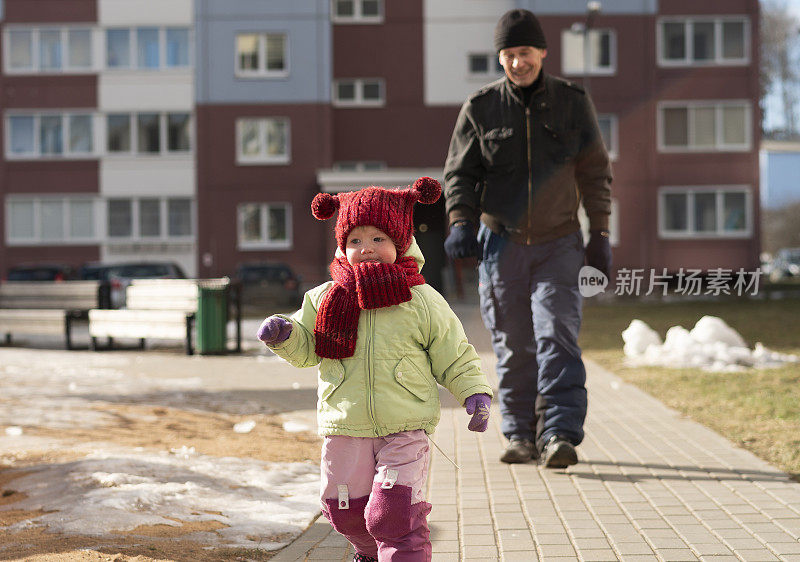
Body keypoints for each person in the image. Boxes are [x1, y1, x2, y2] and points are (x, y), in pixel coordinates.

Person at [257, 177, 493, 562]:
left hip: (405, 424)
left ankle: (399, 550)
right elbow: (307, 349)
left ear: (400, 242)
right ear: (341, 245)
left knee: (392, 516)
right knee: (344, 514)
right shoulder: (323, 298)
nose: (366, 249)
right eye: (355, 241)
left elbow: (453, 352)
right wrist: (285, 335)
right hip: (345, 424)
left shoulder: (420, 298)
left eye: (378, 239)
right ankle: (368, 552)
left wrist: (473, 391)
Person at [443, 9, 612, 468]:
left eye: (526, 53)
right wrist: (460, 221)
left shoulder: (572, 102)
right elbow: (460, 173)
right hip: (502, 243)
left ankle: (558, 432)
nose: (519, 62)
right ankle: (519, 434)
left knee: (557, 333)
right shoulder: (480, 108)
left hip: (559, 241)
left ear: (542, 52)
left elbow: (595, 173)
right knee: (514, 343)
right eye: (510, 55)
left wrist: (599, 234)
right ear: (500, 58)